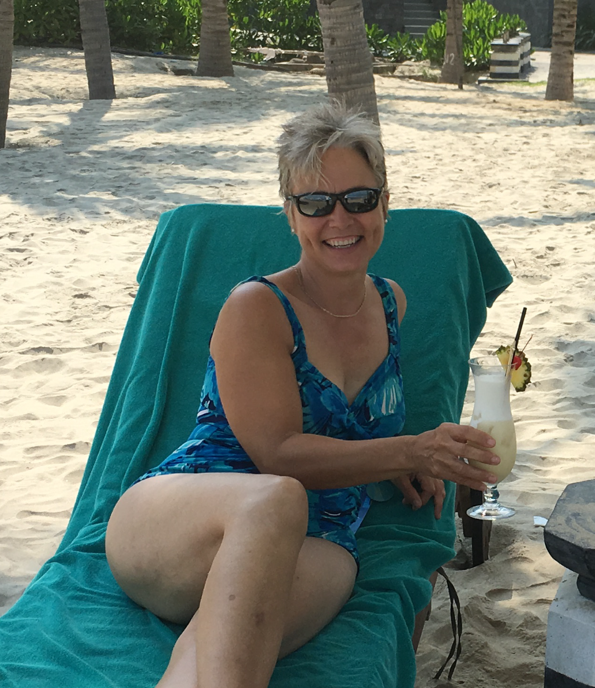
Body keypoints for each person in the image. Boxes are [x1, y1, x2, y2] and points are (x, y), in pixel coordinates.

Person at [105, 102, 502, 688]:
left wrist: (392, 453)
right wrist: (408, 452)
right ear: (291, 216)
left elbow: (348, 427)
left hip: (321, 537)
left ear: (384, 204)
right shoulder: (258, 307)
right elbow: (277, 455)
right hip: (185, 520)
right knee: (275, 498)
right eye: (315, 203)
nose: (339, 219)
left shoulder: (392, 302)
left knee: (225, 649)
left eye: (359, 199)